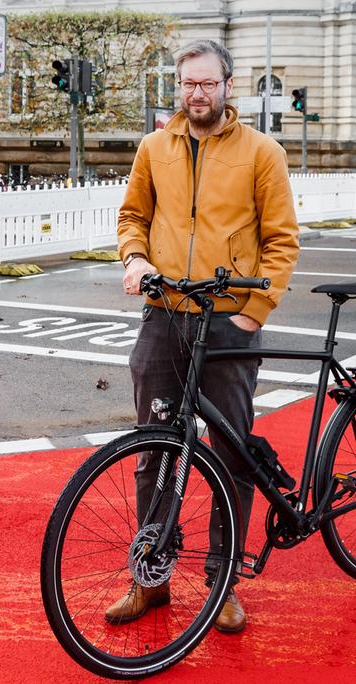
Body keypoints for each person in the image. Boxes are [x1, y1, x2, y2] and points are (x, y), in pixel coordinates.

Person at [108, 39, 299, 632]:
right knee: (154, 452)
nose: (196, 94)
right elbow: (132, 217)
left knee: (232, 455)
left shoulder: (261, 152)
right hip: (164, 315)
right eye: (188, 84)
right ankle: (152, 577)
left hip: (228, 323)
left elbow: (282, 239)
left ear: (228, 85)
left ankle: (224, 582)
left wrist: (253, 312)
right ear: (179, 86)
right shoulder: (153, 148)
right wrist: (134, 259)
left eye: (207, 84)